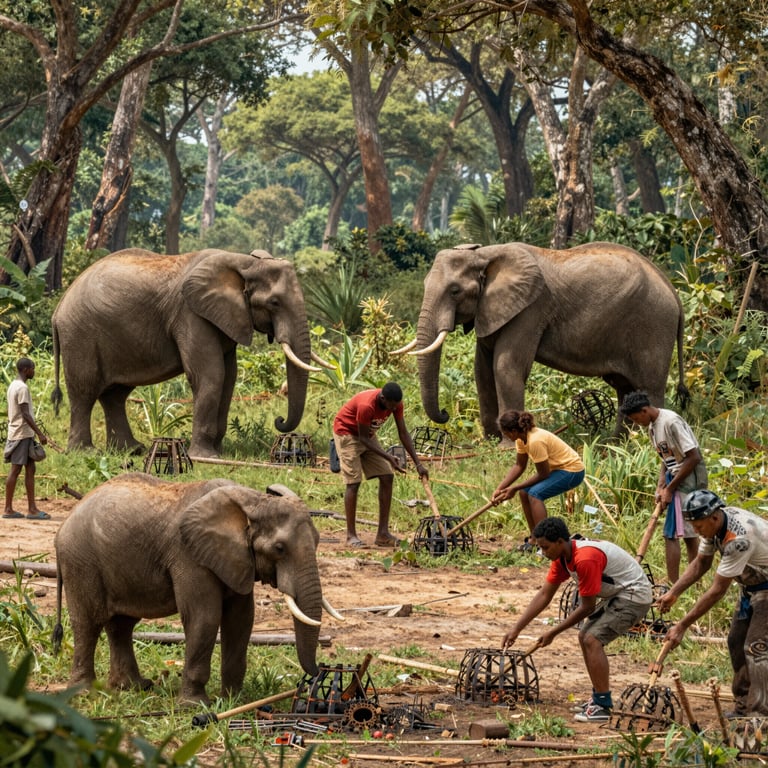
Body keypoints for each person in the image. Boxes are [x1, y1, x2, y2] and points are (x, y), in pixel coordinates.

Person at [502, 516, 652, 722]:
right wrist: (516, 628)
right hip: (617, 594)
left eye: (545, 548)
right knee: (585, 637)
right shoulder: (561, 558)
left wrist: (553, 632)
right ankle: (599, 697)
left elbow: (587, 607)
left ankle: (602, 705)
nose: (543, 553)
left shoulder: (585, 558)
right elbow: (545, 595)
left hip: (634, 596)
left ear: (560, 542)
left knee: (592, 639)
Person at [656, 490, 768, 716]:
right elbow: (701, 563)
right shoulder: (715, 526)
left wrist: (683, 625)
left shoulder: (738, 540)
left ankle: (760, 714)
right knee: (736, 641)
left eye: (698, 527)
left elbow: (717, 590)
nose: (696, 532)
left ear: (714, 518)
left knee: (757, 647)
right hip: (751, 586)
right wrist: (674, 592)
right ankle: (743, 704)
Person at [620, 390, 707, 583]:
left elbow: (694, 457)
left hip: (689, 482)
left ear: (644, 410)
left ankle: (673, 583)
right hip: (674, 479)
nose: (636, 424)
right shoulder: (652, 426)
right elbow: (665, 458)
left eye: (636, 418)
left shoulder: (671, 421)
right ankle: (695, 581)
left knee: (671, 534)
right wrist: (661, 485)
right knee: (689, 533)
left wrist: (670, 488)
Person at [332, 382, 428, 547]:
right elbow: (362, 439)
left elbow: (403, 432)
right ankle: (351, 536)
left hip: (367, 434)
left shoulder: (396, 404)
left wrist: (418, 464)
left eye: (395, 406)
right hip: (347, 433)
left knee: (387, 476)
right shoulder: (366, 406)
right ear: (383, 398)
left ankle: (382, 534)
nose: (392, 410)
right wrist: (389, 457)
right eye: (390, 406)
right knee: (353, 482)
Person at [491, 409, 585, 551]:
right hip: (558, 469)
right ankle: (534, 539)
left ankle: (544, 543)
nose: (504, 435)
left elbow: (543, 474)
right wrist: (500, 488)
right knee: (524, 492)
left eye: (505, 432)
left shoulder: (536, 440)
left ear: (513, 431)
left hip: (572, 471)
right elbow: (519, 465)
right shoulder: (521, 439)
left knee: (535, 494)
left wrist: (514, 488)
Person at [4, 357, 50, 520]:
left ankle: (32, 509)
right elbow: (25, 414)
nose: (34, 371)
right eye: (32, 368)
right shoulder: (22, 388)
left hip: (22, 433)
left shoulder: (13, 386)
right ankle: (8, 509)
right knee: (16, 470)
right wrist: (40, 433)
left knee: (30, 469)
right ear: (25, 370)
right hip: (21, 434)